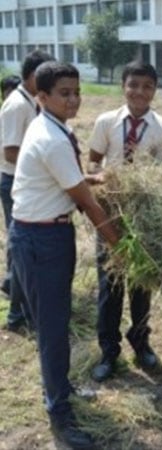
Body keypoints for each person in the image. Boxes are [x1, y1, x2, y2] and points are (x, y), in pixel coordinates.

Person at [9, 60, 120, 450]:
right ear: (41, 97)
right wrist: (121, 247)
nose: (74, 100)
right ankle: (60, 415)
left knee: (56, 322)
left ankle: (63, 389)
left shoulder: (56, 127)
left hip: (49, 235)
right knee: (53, 332)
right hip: (40, 242)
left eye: (77, 91)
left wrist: (90, 176)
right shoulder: (51, 138)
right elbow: (88, 205)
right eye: (64, 93)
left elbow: (68, 180)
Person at [88, 61, 162, 382]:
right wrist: (102, 179)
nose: (139, 92)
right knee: (109, 286)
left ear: (155, 90)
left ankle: (141, 344)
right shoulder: (106, 122)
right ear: (123, 86)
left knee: (142, 286)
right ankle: (108, 352)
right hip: (110, 216)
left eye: (147, 86)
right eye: (133, 85)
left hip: (144, 220)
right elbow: (93, 160)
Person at [0, 50, 54, 331]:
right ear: (33, 76)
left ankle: (19, 309)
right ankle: (17, 312)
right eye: (45, 75)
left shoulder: (30, 101)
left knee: (23, 248)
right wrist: (43, 164)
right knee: (20, 247)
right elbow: (10, 152)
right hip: (14, 183)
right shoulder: (16, 106)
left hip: (27, 182)